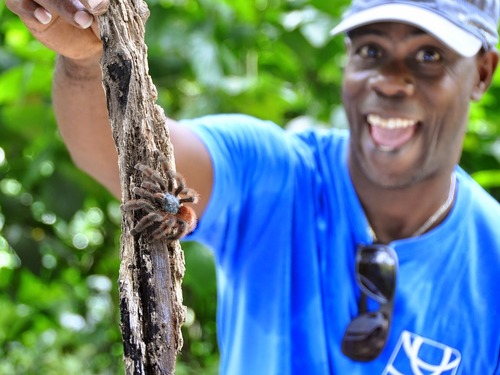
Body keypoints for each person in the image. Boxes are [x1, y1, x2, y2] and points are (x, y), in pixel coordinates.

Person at [6, 0, 500, 373]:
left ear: (482, 71)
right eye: (371, 50)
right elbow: (116, 157)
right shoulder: (278, 173)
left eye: (429, 55)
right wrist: (89, 59)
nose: (392, 81)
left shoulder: (492, 261)